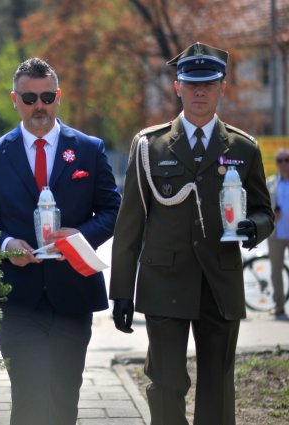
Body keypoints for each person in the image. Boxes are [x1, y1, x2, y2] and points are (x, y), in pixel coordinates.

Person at [110, 42, 274, 425]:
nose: (200, 91)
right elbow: (129, 224)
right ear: (177, 87)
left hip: (220, 281)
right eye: (191, 83)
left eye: (209, 83)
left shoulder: (243, 147)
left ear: (222, 87)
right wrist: (121, 291)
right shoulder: (149, 146)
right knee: (165, 382)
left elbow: (265, 210)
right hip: (164, 280)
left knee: (218, 385)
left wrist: (256, 227)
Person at [0, 58, 121, 425]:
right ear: (14, 100)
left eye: (47, 96)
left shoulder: (88, 149)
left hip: (73, 292)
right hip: (17, 298)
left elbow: (112, 210)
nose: (40, 105)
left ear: (59, 98)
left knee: (64, 395)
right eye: (30, 97)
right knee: (29, 395)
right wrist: (5, 246)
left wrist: (81, 236)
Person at [266, 148, 289, 319]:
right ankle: (279, 305)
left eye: (286, 160)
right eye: (280, 160)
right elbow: (263, 206)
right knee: (276, 271)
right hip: (276, 233)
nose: (283, 164)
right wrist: (271, 213)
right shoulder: (271, 183)